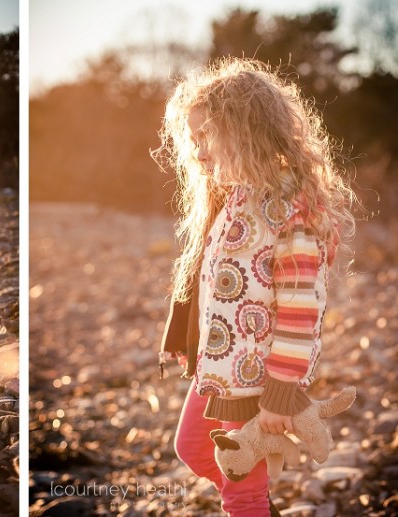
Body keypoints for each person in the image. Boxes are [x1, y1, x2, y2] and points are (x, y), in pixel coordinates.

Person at [152, 58, 356, 515]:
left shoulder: (290, 210)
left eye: (208, 136)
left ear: (248, 131)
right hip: (220, 368)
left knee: (238, 488)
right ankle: (256, 504)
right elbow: (215, 283)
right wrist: (188, 340)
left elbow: (301, 312)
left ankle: (249, 504)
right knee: (194, 450)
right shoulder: (234, 196)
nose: (199, 151)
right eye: (194, 139)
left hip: (255, 379)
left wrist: (281, 392)